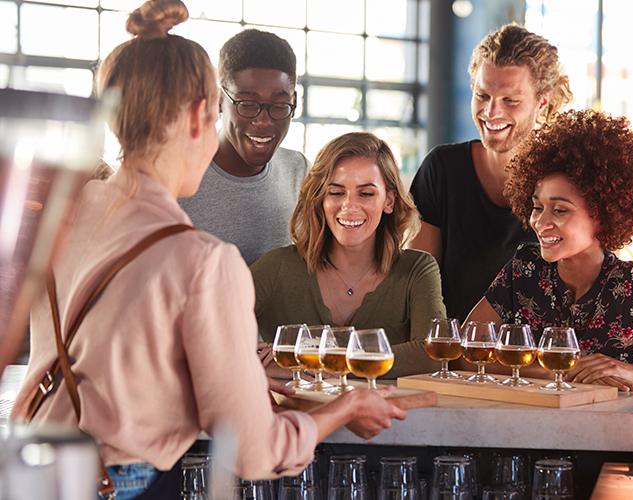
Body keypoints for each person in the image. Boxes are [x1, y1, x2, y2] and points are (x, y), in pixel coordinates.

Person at [9, 2, 405, 499]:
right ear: (205, 112)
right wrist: (344, 409)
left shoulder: (65, 211)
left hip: (31, 465)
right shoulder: (204, 262)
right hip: (123, 481)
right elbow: (254, 451)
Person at [461, 109, 633, 391]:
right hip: (535, 429)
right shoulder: (524, 271)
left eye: (559, 210)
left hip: (624, 431)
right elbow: (465, 353)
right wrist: (559, 371)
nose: (540, 222)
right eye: (537, 207)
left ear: (603, 214)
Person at [408, 24, 573, 321]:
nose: (491, 112)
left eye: (511, 100)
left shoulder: (570, 181)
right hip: (453, 355)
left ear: (542, 102)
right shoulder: (442, 169)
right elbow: (419, 281)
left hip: (537, 360)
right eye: (482, 95)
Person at [250, 132, 446, 379]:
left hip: (392, 418)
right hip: (299, 417)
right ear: (320, 198)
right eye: (336, 192)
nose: (349, 206)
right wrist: (253, 358)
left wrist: (307, 361)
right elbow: (205, 329)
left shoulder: (418, 269)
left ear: (389, 201)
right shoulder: (277, 267)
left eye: (366, 194)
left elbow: (430, 354)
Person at [178, 28, 308, 266]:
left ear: (294, 102)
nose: (264, 121)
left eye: (279, 105)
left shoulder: (299, 172)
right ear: (219, 100)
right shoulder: (177, 178)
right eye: (247, 104)